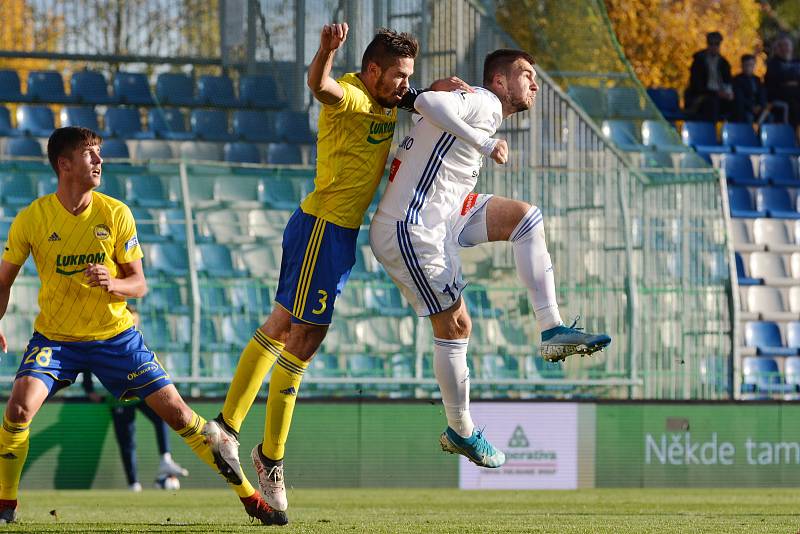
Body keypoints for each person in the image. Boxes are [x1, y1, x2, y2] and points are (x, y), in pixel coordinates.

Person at [201, 23, 473, 519]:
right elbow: (319, 87)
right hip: (320, 228)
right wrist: (324, 51)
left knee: (286, 327)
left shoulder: (392, 98)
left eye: (407, 74)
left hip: (337, 236)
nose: (402, 83)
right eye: (396, 74)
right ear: (371, 71)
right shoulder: (350, 92)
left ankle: (234, 430)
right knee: (301, 336)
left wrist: (441, 88)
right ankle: (259, 448)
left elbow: (417, 96)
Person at [0, 127, 284, 525]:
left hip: (115, 337)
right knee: (17, 410)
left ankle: (252, 499)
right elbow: (4, 281)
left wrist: (112, 283)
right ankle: (6, 506)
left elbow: (140, 284)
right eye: (90, 154)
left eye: (100, 153)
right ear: (64, 165)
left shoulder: (116, 213)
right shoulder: (32, 218)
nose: (100, 161)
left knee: (182, 417)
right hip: (57, 339)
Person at [368, 49, 611, 467]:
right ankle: (461, 430)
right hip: (413, 226)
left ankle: (551, 330)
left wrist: (422, 98)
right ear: (499, 81)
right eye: (525, 74)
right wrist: (483, 141)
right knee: (457, 324)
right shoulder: (482, 100)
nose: (534, 84)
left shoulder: (481, 106)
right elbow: (427, 103)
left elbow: (421, 103)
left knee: (524, 218)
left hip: (445, 213)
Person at [82, 304, 189, 492]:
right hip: (120, 396)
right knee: (127, 440)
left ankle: (165, 459)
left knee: (162, 416)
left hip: (142, 393)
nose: (134, 322)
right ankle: (134, 484)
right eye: (131, 318)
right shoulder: (109, 337)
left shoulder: (137, 338)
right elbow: (89, 359)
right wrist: (89, 388)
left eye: (136, 320)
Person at [685, 31, 733, 122]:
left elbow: (728, 82)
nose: (714, 47)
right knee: (712, 103)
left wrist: (729, 93)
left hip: (721, 97)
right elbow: (696, 85)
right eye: (711, 44)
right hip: (702, 97)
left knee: (737, 104)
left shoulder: (724, 64)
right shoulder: (699, 61)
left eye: (717, 44)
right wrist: (715, 93)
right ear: (707, 44)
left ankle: (736, 134)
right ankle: (710, 133)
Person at [765, 34, 800, 125]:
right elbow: (776, 80)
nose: (785, 48)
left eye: (787, 45)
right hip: (781, 96)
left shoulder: (797, 62)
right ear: (778, 48)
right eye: (783, 45)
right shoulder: (773, 64)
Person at [732, 54, 769, 124]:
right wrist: (752, 107)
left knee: (768, 117)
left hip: (758, 109)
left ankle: (762, 135)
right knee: (748, 117)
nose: (749, 67)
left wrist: (760, 106)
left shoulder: (757, 80)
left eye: (751, 65)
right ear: (742, 65)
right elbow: (739, 97)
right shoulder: (737, 80)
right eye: (747, 65)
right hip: (744, 109)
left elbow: (762, 95)